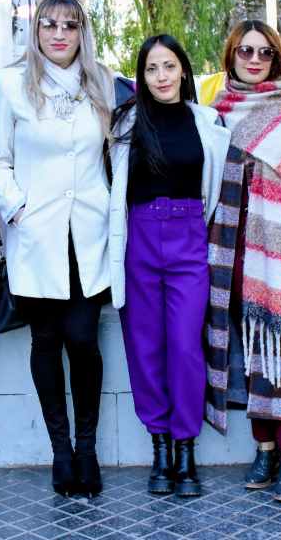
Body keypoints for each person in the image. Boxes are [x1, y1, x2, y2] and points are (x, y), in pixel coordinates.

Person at [0, 0, 115, 497]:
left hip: (87, 232)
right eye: (49, 25)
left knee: (84, 341)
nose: (59, 34)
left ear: (82, 32)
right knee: (46, 342)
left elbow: (116, 150)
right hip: (36, 234)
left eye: (70, 25)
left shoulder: (100, 81)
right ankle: (60, 452)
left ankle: (88, 448)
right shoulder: (13, 83)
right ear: (35, 31)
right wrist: (15, 206)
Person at [204, 20, 281, 504]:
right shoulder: (219, 114)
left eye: (264, 53)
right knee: (252, 348)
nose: (254, 60)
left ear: (277, 57)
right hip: (235, 251)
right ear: (230, 57)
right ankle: (264, 448)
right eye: (244, 52)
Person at [109, 35, 230, 496]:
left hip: (188, 239)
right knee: (145, 348)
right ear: (141, 75)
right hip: (139, 239)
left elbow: (215, 189)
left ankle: (185, 449)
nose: (161, 76)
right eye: (151, 68)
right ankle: (159, 448)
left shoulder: (207, 122)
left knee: (183, 346)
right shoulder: (125, 123)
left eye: (169, 66)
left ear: (183, 70)